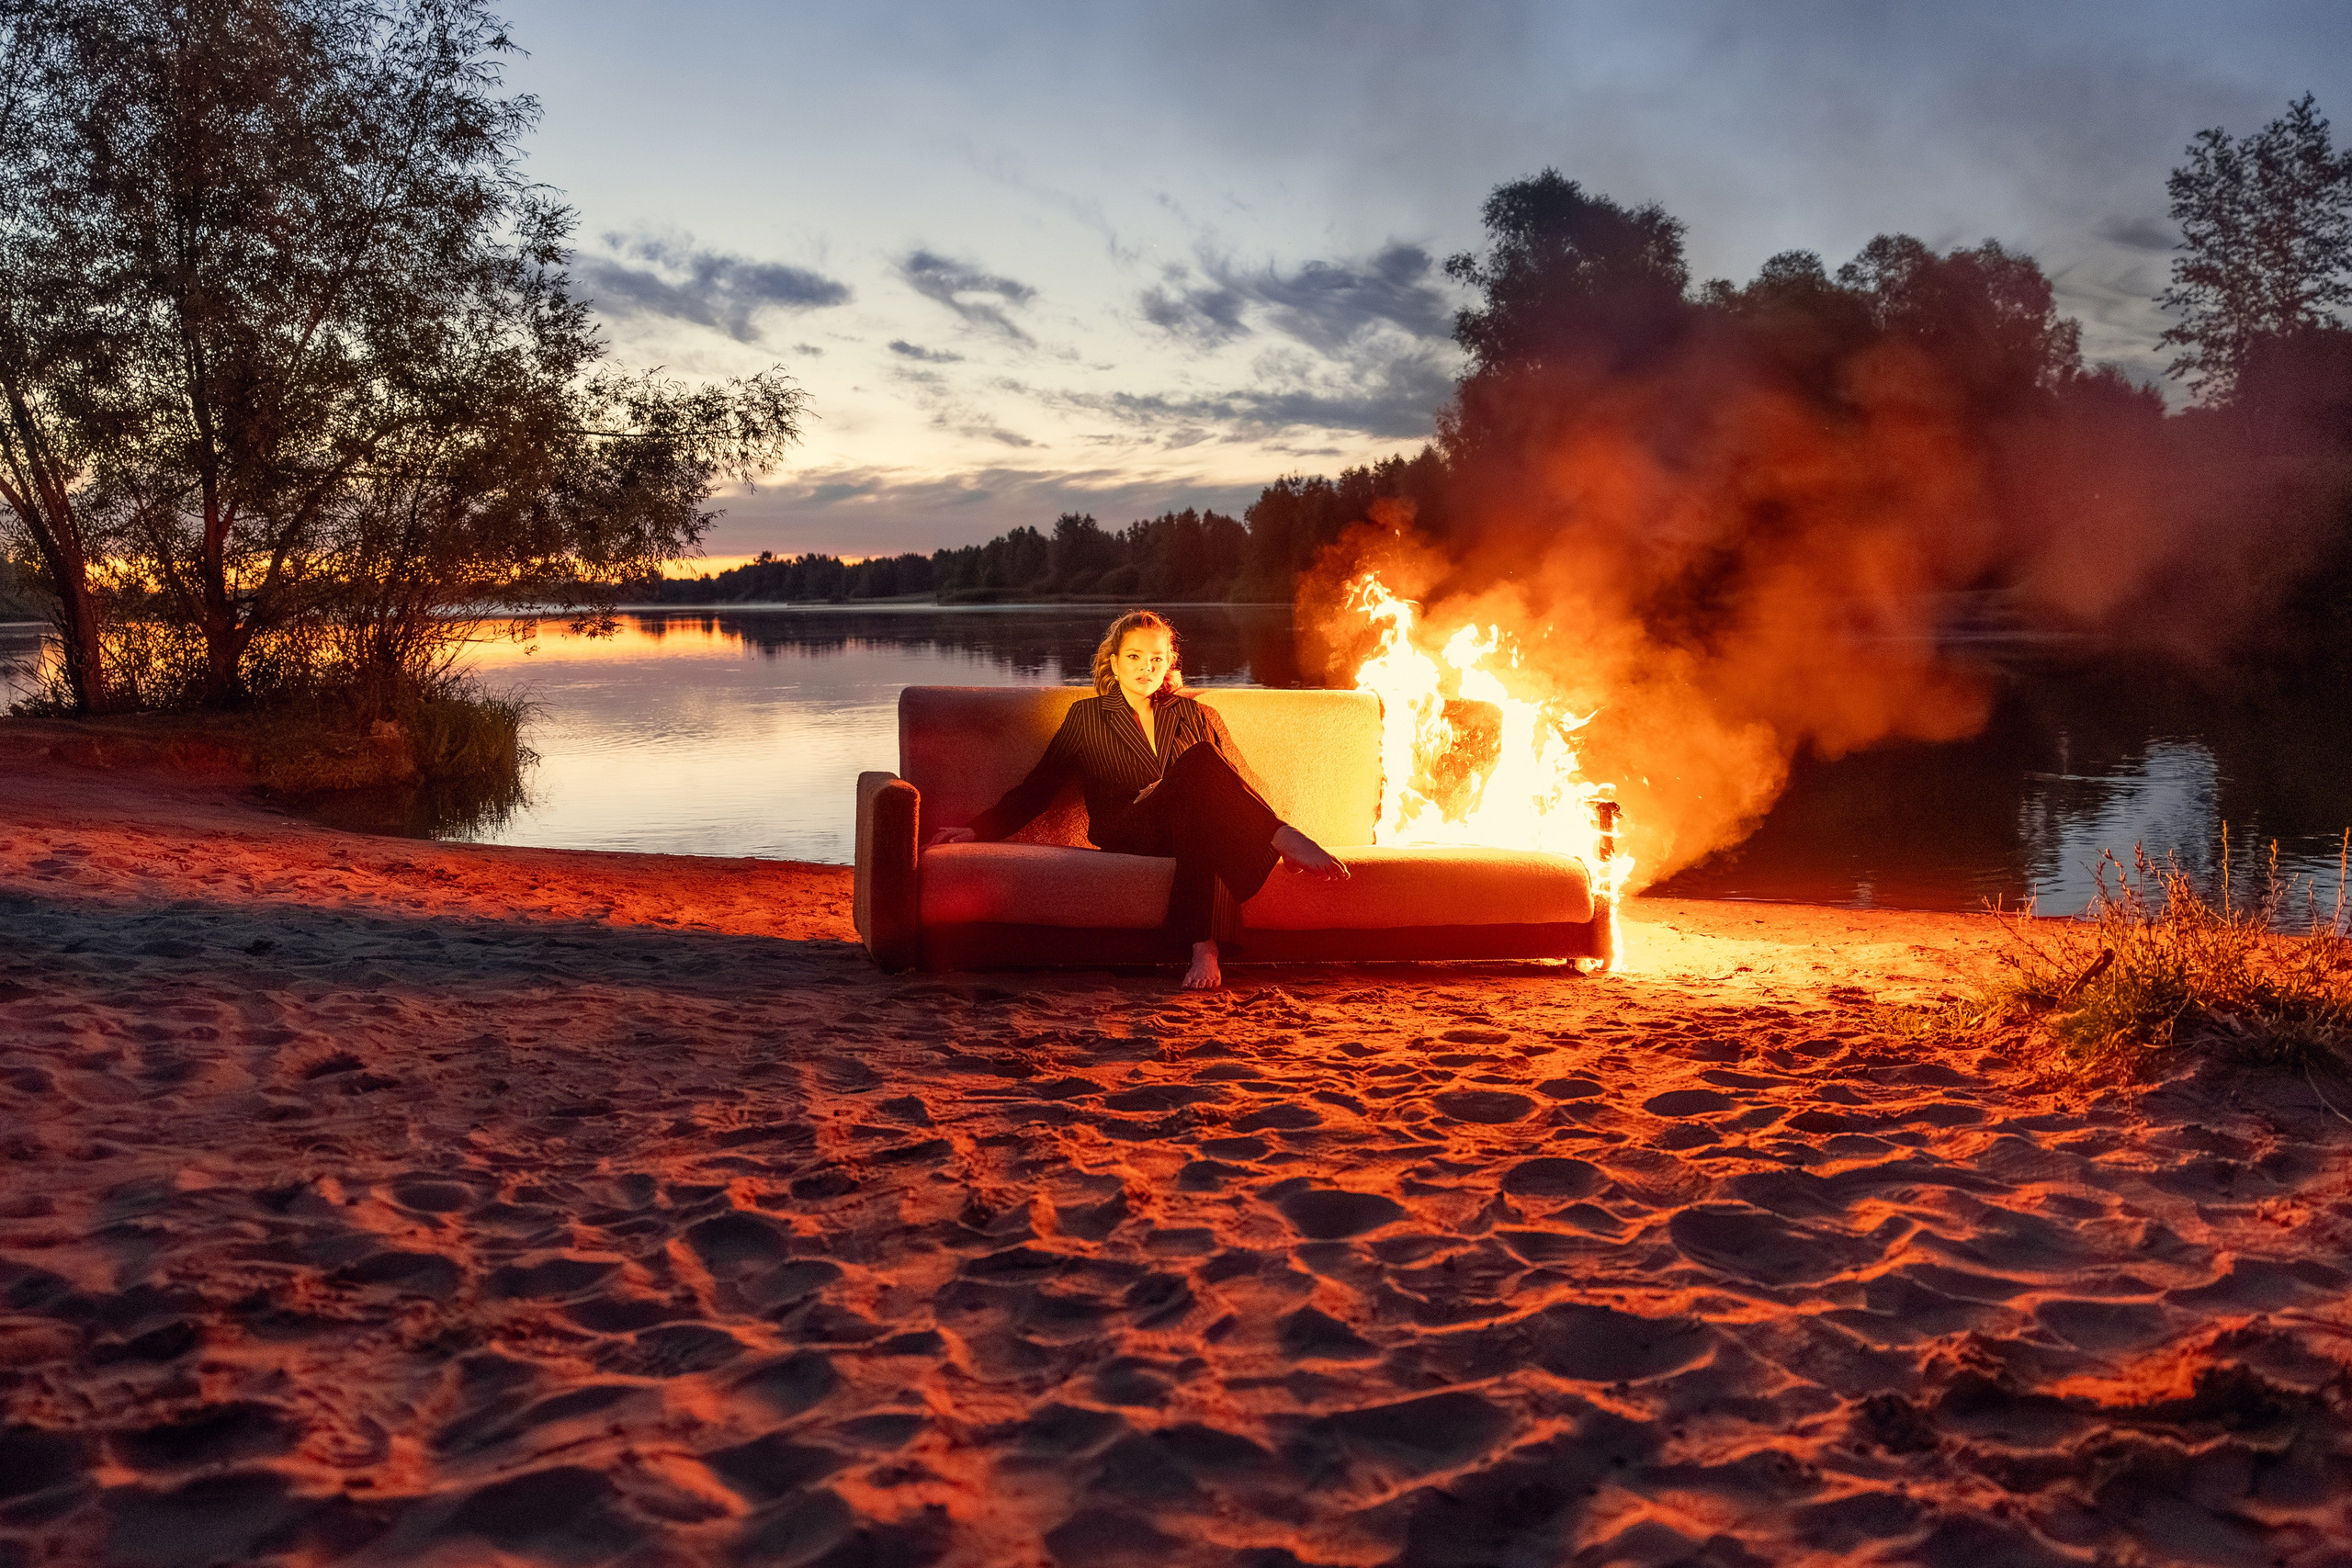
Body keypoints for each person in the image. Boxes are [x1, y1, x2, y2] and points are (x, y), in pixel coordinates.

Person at [930, 610, 1348, 989]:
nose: (1146, 667)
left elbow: (1235, 780)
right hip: (1128, 826)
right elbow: (1038, 788)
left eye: (1156, 659)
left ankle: (1204, 945)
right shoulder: (1086, 716)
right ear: (1113, 661)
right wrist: (977, 828)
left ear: (1169, 664)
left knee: (1199, 787)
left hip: (1187, 826)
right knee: (1198, 765)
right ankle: (1282, 841)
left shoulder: (1194, 714)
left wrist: (1177, 786)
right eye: (1134, 657)